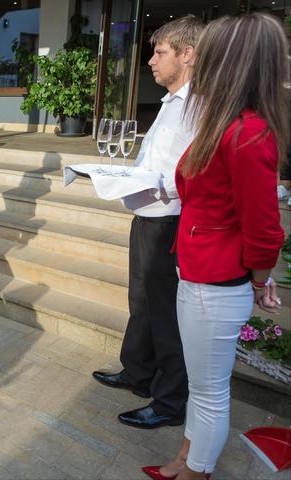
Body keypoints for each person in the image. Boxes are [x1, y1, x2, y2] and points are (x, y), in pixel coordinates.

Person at [143, 13, 288, 480]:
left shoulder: (249, 133)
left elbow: (264, 229)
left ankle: (195, 471)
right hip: (199, 271)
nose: (199, 63)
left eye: (210, 55)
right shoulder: (226, 122)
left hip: (216, 281)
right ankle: (185, 459)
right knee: (203, 386)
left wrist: (261, 281)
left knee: (208, 392)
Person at [92, 15, 204, 429]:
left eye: (159, 53)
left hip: (170, 224)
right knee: (140, 301)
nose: (151, 61)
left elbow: (192, 172)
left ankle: (170, 402)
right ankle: (138, 372)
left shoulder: (199, 106)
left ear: (187, 54)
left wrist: (142, 182)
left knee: (166, 314)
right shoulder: (170, 101)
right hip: (146, 217)